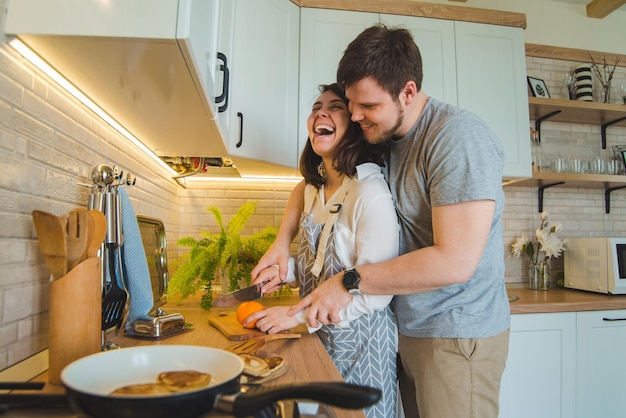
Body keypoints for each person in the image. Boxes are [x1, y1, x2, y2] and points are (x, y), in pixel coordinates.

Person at [252, 25, 510, 418]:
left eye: (366, 106)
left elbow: (456, 262)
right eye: (351, 104)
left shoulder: (457, 139)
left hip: (457, 334)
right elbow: (311, 184)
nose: (355, 116)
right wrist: (282, 241)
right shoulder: (385, 135)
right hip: (409, 327)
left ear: (407, 92)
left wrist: (349, 280)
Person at [247, 83, 400, 418]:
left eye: (335, 107)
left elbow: (377, 291)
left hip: (363, 347)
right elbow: (315, 263)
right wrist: (281, 270)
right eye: (316, 106)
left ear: (356, 126)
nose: (320, 112)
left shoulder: (369, 193)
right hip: (322, 340)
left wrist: (295, 316)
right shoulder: (314, 189)